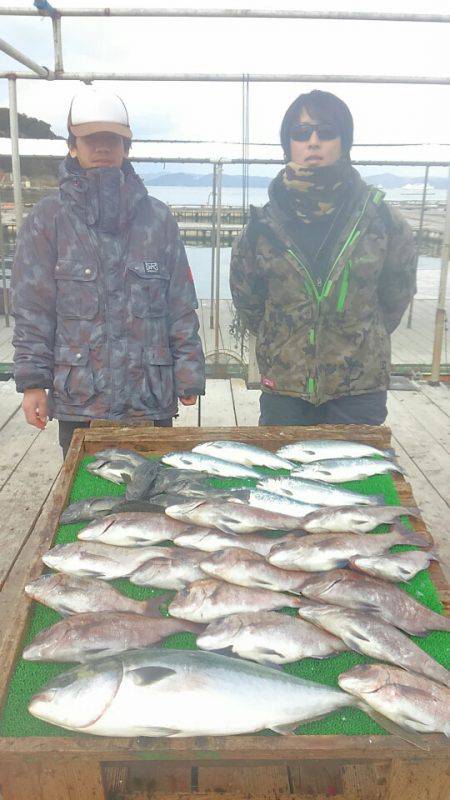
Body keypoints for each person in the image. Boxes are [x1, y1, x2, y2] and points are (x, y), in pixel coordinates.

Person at [11, 88, 205, 457]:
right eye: (91, 139)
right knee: (86, 500)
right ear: (73, 146)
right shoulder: (47, 219)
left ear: (126, 148)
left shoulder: (159, 218)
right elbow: (32, 309)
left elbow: (180, 304)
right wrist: (33, 383)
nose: (102, 147)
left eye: (111, 140)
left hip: (150, 396)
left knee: (155, 499)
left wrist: (189, 373)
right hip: (80, 401)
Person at [230, 90, 417, 427]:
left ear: (344, 142)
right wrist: (288, 345)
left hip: (359, 392)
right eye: (301, 134)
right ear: (288, 145)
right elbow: (249, 303)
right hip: (284, 392)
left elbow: (395, 296)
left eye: (326, 132)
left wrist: (353, 342)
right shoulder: (259, 229)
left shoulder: (383, 222)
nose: (313, 141)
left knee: (363, 481)